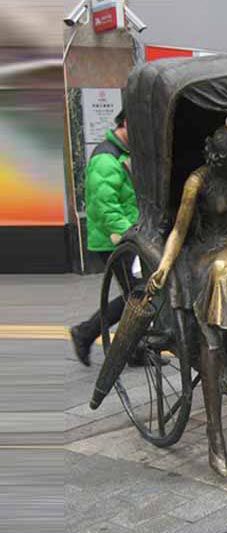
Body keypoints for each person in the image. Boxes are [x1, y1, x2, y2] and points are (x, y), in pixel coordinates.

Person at [146, 125, 227, 477]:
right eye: (225, 161)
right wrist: (164, 265)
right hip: (202, 252)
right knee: (215, 291)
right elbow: (179, 230)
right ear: (214, 156)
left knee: (223, 272)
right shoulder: (198, 182)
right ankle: (214, 432)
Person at [70, 108, 138, 366]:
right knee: (138, 295)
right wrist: (132, 234)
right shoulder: (105, 159)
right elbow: (105, 208)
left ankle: (134, 348)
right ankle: (85, 333)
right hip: (114, 240)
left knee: (138, 295)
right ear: (125, 123)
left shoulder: (125, 154)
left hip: (128, 237)